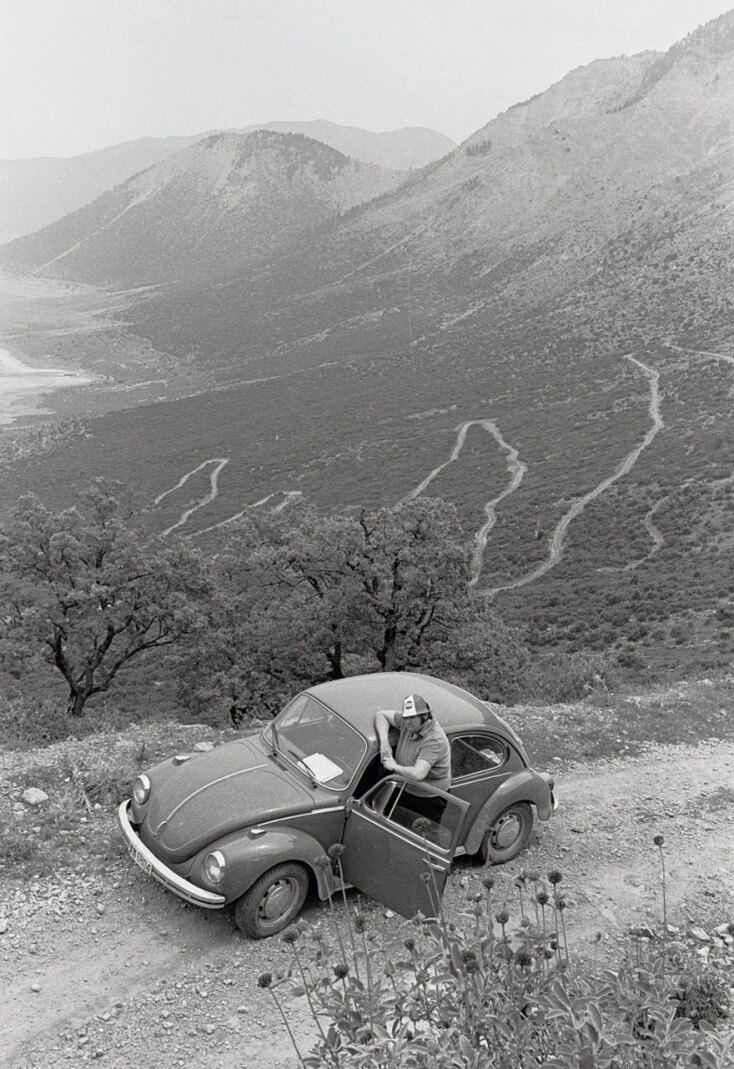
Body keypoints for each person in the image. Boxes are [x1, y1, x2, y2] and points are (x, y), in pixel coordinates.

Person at [374, 693, 451, 824]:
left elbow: (418, 774)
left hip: (428, 797)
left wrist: (394, 766)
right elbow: (381, 715)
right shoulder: (409, 723)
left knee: (421, 836)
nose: (406, 721)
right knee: (388, 824)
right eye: (405, 717)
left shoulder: (434, 739)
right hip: (402, 785)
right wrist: (384, 742)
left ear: (425, 716)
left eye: (411, 718)